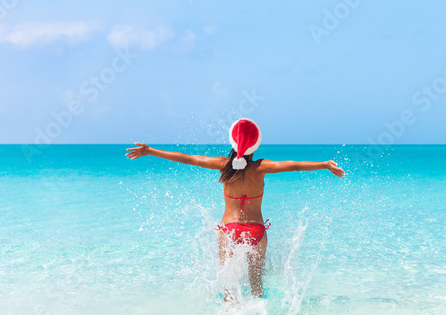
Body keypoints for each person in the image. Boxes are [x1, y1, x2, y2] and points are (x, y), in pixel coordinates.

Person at [125, 118, 345, 299]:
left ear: (233, 143)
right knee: (256, 283)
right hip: (256, 231)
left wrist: (150, 151)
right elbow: (294, 165)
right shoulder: (261, 167)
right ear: (255, 145)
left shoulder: (223, 165)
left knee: (228, 285)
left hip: (229, 230)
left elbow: (189, 159)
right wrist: (324, 165)